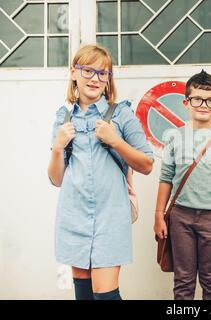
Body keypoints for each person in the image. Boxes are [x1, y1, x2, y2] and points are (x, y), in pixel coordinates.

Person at [48, 44, 154, 300]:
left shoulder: (122, 114)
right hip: (73, 217)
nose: (95, 79)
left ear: (108, 79)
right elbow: (56, 178)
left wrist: (115, 140)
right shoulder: (64, 118)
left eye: (102, 73)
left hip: (110, 218)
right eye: (88, 71)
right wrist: (57, 147)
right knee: (83, 295)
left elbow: (147, 164)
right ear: (73, 73)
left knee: (104, 295)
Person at [154, 70, 211, 300]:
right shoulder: (174, 136)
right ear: (186, 102)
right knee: (183, 279)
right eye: (197, 99)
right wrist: (159, 215)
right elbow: (165, 178)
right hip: (180, 217)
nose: (204, 104)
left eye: (210, 100)